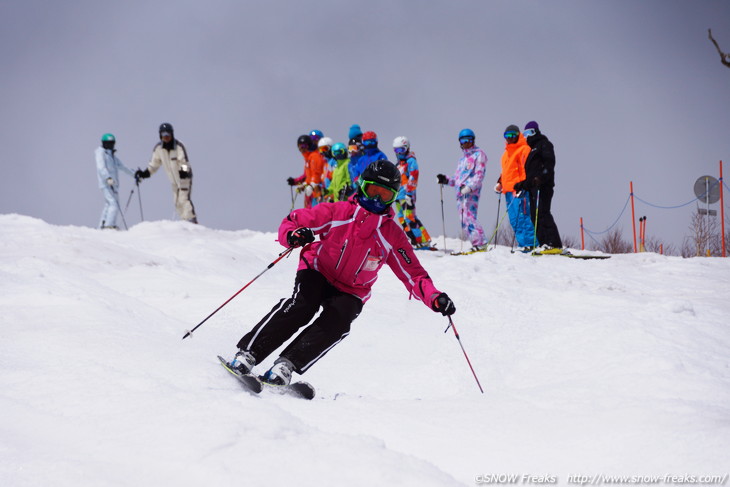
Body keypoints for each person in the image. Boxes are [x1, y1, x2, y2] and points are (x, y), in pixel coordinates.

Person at [227, 160, 457, 386]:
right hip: (318, 269)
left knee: (338, 321)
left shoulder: (391, 235)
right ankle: (248, 354)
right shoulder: (339, 212)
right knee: (302, 306)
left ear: (393, 198)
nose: (376, 200)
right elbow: (294, 221)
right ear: (361, 186)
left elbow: (414, 274)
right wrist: (295, 235)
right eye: (372, 190)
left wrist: (434, 297)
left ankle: (285, 365)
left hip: (352, 289)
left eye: (384, 195)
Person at [513, 121, 563, 252]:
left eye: (530, 133)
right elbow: (530, 174)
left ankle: (554, 243)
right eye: (525, 134)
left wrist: (542, 177)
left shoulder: (544, 144)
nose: (527, 136)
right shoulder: (531, 150)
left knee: (542, 213)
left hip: (543, 186)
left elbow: (549, 163)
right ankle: (543, 243)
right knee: (533, 215)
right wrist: (522, 185)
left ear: (535, 132)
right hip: (533, 187)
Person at [135, 123, 198, 223]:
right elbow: (153, 165)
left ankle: (191, 220)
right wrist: (144, 173)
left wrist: (184, 173)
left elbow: (184, 161)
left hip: (184, 178)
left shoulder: (178, 146)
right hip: (174, 181)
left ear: (172, 134)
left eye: (168, 135)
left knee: (183, 199)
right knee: (177, 203)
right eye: (164, 135)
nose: (166, 137)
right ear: (160, 136)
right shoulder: (159, 149)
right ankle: (184, 222)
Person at [437, 128, 488, 252]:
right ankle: (476, 243)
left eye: (468, 140)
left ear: (473, 140)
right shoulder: (462, 160)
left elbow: (479, 175)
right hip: (460, 193)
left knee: (469, 217)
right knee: (464, 220)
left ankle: (480, 243)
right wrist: (446, 180)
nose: (466, 143)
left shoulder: (479, 154)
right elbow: (457, 180)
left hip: (471, 193)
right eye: (463, 141)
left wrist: (469, 187)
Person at [494, 124, 537, 251]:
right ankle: (523, 243)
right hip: (508, 190)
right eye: (507, 135)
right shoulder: (505, 154)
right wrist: (500, 182)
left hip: (519, 189)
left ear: (518, 135)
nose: (510, 138)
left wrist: (523, 185)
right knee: (514, 220)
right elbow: (506, 171)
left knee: (523, 216)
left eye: (513, 135)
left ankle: (531, 243)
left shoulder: (524, 149)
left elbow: (526, 169)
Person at [392, 136, 433, 249]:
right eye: (396, 150)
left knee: (410, 217)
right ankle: (414, 240)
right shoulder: (398, 164)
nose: (398, 153)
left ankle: (424, 240)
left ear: (407, 148)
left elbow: (413, 177)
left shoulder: (411, 161)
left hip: (407, 195)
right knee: (402, 218)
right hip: (398, 196)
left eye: (401, 150)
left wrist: (409, 193)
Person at [96, 133, 135, 229]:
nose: (109, 146)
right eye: (107, 143)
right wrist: (107, 178)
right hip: (106, 183)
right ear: (103, 143)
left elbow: (122, 167)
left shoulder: (112, 156)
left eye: (111, 143)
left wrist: (134, 174)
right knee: (113, 203)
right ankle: (109, 225)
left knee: (109, 203)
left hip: (113, 184)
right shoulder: (100, 153)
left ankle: (102, 225)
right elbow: (101, 167)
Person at [287, 134, 326, 208]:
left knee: (315, 212)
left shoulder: (314, 156)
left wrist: (312, 185)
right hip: (310, 192)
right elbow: (307, 176)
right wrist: (298, 183)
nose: (302, 149)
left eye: (304, 146)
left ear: (309, 145)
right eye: (300, 147)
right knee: (308, 213)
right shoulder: (308, 158)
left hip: (316, 192)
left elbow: (316, 174)